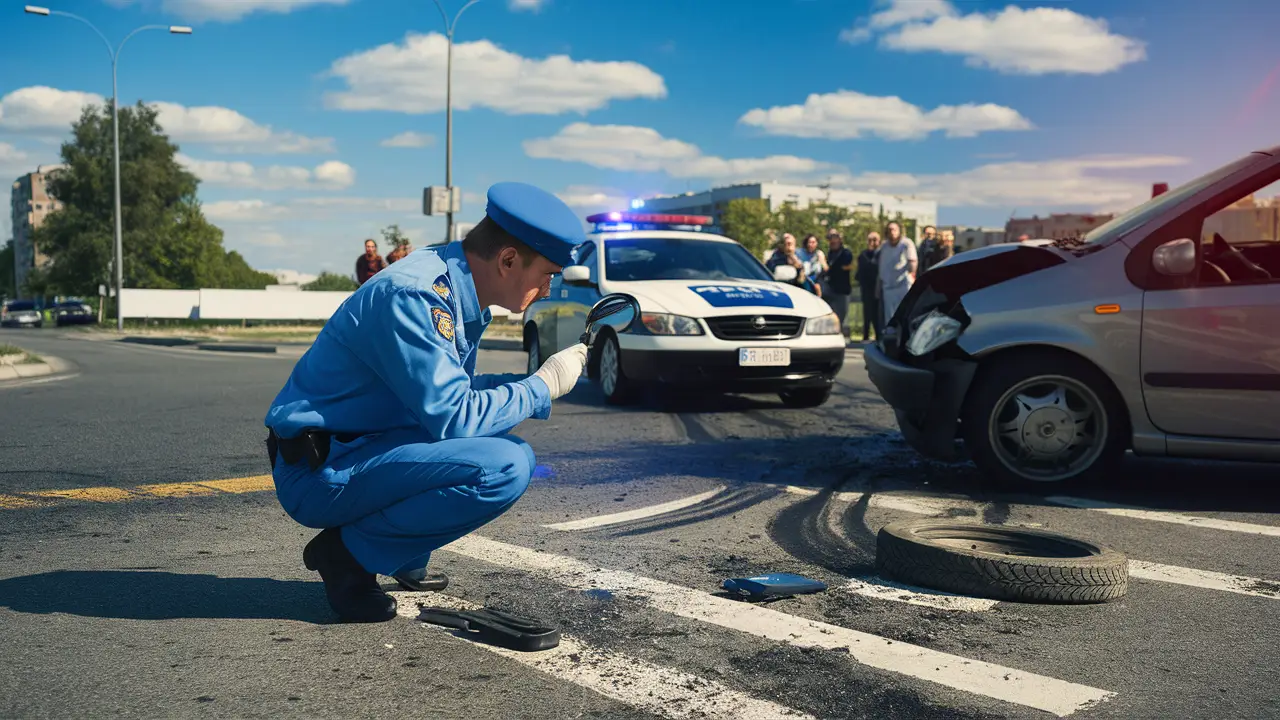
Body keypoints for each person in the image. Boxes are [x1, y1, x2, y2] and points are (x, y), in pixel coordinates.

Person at [264, 182, 591, 623]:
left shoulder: (447, 283)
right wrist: (541, 387)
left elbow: (451, 391)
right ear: (508, 259)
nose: (549, 289)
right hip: (321, 471)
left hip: (355, 448)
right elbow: (455, 416)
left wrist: (529, 382)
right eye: (547, 274)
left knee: (492, 433)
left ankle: (400, 551)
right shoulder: (416, 295)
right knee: (506, 465)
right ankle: (348, 556)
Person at [877, 221, 917, 327]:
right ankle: (890, 338)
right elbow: (881, 267)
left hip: (903, 285)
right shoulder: (884, 246)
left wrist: (911, 269)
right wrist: (879, 286)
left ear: (899, 231)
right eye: (889, 230)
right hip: (888, 286)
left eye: (894, 229)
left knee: (905, 314)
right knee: (889, 317)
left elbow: (913, 262)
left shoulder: (906, 244)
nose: (892, 232)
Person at [823, 230, 854, 339]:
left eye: (835, 238)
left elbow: (846, 267)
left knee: (841, 317)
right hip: (830, 289)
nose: (833, 241)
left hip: (842, 290)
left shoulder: (846, 253)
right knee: (831, 317)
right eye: (831, 238)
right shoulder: (829, 254)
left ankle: (841, 339)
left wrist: (831, 269)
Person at [855, 231, 882, 342]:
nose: (872, 243)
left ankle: (879, 335)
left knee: (878, 313)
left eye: (875, 240)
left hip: (879, 286)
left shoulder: (882, 254)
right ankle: (866, 334)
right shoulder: (864, 255)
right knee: (867, 312)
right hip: (867, 287)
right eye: (870, 240)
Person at [795, 234, 826, 298]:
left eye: (813, 242)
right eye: (809, 242)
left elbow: (826, 269)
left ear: (817, 244)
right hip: (804, 282)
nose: (811, 244)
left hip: (817, 282)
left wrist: (822, 261)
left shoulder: (818, 253)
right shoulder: (800, 252)